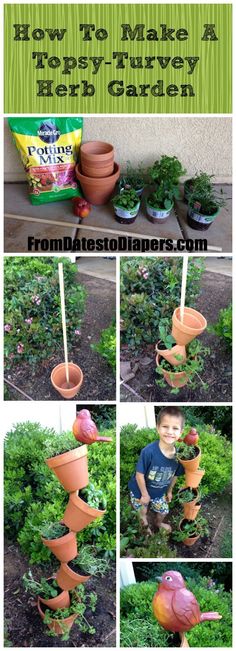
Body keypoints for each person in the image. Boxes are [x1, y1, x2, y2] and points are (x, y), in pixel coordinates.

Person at [128, 406, 185, 535]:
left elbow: (175, 475)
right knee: (142, 512)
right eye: (165, 426)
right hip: (140, 491)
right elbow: (139, 474)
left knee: (164, 511)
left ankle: (158, 523)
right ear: (158, 427)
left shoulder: (180, 455)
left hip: (159, 493)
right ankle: (146, 529)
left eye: (175, 428)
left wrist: (169, 491)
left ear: (181, 432)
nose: (170, 432)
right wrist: (144, 494)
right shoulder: (148, 452)